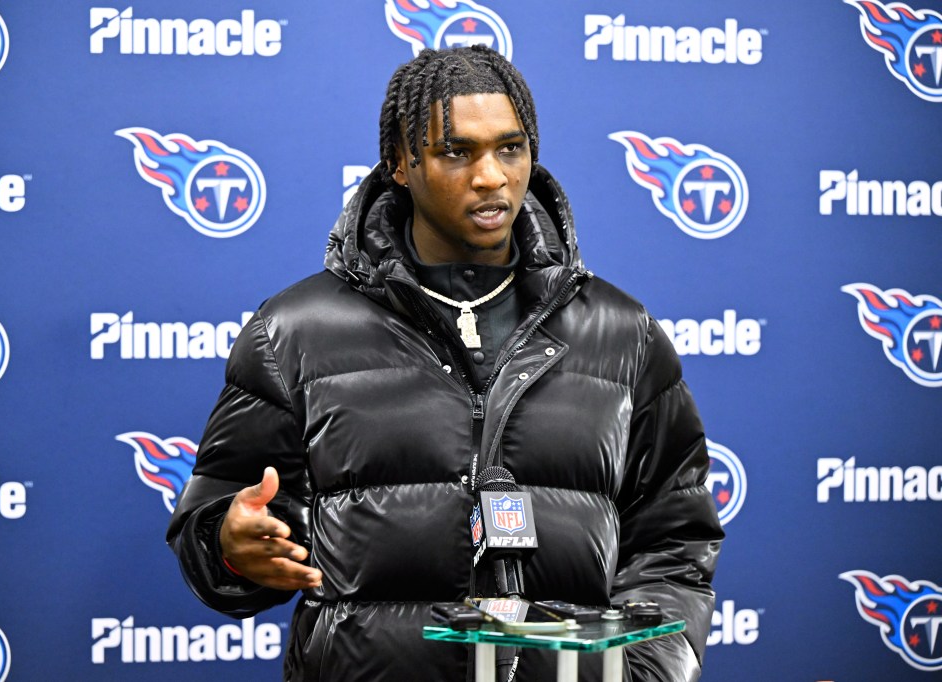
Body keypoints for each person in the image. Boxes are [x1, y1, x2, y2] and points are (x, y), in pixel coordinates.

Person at [167, 44, 723, 681]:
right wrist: (232, 549)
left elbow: (675, 539)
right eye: (457, 152)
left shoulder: (622, 333)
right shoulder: (294, 333)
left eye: (510, 148)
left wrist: (646, 672)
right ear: (400, 164)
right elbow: (214, 527)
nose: (491, 177)